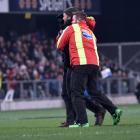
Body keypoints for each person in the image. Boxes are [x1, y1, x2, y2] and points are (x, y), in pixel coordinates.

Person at [57, 10, 122, 127]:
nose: (71, 20)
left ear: (76, 20)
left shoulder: (71, 28)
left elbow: (59, 45)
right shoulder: (90, 32)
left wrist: (60, 35)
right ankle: (114, 110)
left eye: (72, 19)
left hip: (80, 63)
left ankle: (82, 122)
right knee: (94, 91)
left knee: (76, 93)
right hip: (94, 64)